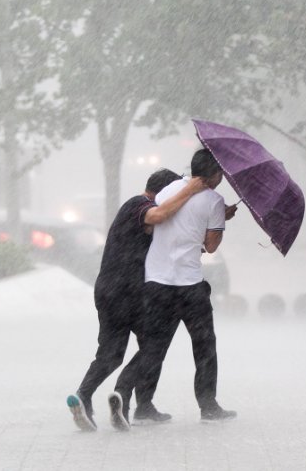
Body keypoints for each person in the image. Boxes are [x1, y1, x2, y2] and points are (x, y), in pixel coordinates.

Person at [66, 169, 206, 432]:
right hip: (127, 293)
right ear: (165, 193)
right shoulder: (138, 205)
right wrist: (190, 190)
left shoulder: (143, 211)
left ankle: (95, 397)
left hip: (112, 290)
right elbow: (159, 215)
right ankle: (123, 393)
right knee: (155, 344)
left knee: (115, 353)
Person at [108, 148, 238, 430]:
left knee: (153, 346)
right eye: (221, 173)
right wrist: (220, 220)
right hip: (189, 285)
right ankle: (208, 406)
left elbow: (167, 221)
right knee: (204, 346)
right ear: (214, 174)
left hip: (156, 282)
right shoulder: (214, 200)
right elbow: (211, 245)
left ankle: (124, 392)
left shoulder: (167, 191)